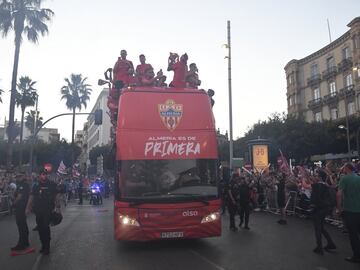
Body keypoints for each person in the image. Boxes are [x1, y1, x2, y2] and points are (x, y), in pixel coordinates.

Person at [26, 169, 60, 255]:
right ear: (39, 175)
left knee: (45, 227)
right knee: (40, 228)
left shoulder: (52, 184)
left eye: (45, 174)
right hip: (38, 210)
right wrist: (28, 207)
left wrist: (58, 206)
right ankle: (43, 245)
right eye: (41, 174)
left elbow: (56, 196)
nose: (43, 175)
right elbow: (32, 196)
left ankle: (47, 246)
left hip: (48, 209)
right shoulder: (36, 185)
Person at [337, 163, 360, 263]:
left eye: (343, 168)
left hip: (350, 210)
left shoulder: (345, 179)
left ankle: (356, 255)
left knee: (353, 234)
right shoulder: (359, 178)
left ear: (347, 168)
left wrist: (339, 208)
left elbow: (339, 194)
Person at [310, 170, 336, 255]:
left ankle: (319, 247)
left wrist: (303, 174)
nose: (315, 176)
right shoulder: (327, 186)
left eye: (316, 175)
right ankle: (330, 243)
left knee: (318, 228)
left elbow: (308, 183)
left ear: (320, 177)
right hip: (325, 208)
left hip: (319, 209)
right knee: (321, 227)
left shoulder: (318, 185)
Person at [11, 173, 30, 251]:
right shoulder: (21, 185)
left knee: (21, 225)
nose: (17, 178)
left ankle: (22, 244)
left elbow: (19, 197)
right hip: (22, 207)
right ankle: (25, 242)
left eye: (19, 177)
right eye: (17, 177)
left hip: (21, 207)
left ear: (23, 177)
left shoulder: (23, 185)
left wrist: (13, 204)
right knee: (23, 225)